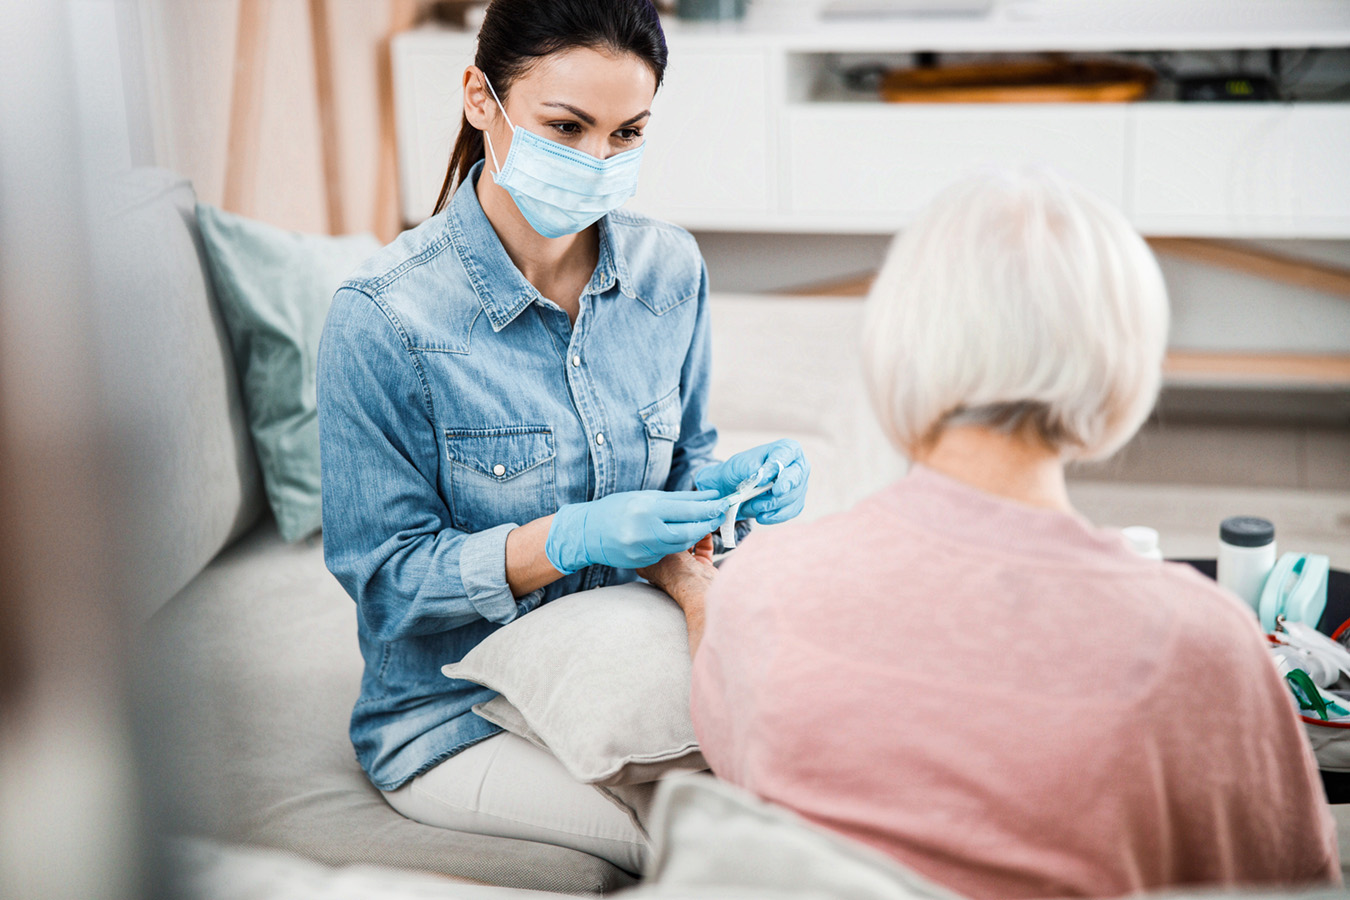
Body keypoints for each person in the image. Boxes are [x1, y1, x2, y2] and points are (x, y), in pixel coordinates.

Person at [638, 168, 1341, 897]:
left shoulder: (766, 584)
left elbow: (736, 740)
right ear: (1124, 371)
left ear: (895, 344)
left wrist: (691, 583)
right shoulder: (1198, 641)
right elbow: (1288, 882)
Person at [314, 0, 809, 876]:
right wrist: (566, 539)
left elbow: (686, 457)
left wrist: (724, 493)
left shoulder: (669, 272)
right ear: (480, 98)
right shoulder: (384, 319)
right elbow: (386, 587)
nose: (596, 162)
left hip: (626, 659)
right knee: (739, 855)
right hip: (451, 717)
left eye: (627, 134)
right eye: (566, 126)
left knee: (834, 786)